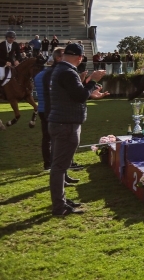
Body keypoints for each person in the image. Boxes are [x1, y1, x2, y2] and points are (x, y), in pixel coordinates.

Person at [48, 43, 109, 215]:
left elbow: (74, 94)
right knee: (60, 167)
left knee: (59, 167)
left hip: (61, 122)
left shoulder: (61, 70)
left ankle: (61, 201)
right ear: (80, 57)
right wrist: (94, 80)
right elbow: (79, 96)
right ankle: (59, 207)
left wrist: (89, 89)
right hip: (66, 124)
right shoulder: (67, 72)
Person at [34, 48, 64, 171]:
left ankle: (47, 164)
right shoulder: (54, 74)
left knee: (46, 138)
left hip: (41, 108)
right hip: (52, 109)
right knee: (56, 138)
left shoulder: (39, 75)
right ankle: (56, 162)